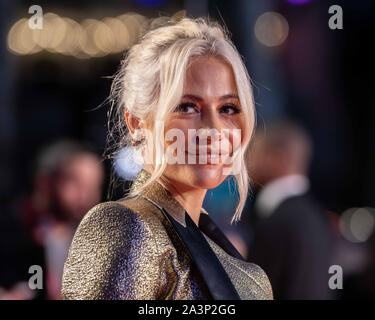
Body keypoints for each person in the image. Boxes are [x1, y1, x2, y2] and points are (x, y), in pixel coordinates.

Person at [61, 16, 273, 300]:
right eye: (187, 106)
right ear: (137, 123)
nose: (213, 130)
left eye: (228, 108)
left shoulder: (250, 274)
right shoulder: (126, 227)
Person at [247, 120, 337, 299]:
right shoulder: (322, 220)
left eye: (253, 151)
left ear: (276, 157)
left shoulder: (277, 222)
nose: (247, 160)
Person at [21, 140, 105, 299]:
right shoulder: (17, 230)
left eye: (94, 186)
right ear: (45, 182)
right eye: (75, 183)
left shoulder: (98, 240)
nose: (86, 195)